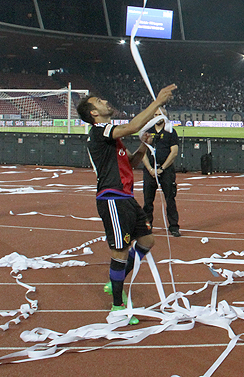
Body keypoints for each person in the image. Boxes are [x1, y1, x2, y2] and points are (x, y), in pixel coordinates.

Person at [77, 83, 177, 324]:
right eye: (99, 102)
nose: (104, 102)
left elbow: (130, 163)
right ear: (94, 113)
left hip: (126, 198)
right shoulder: (100, 131)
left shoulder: (111, 139)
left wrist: (143, 146)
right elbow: (132, 127)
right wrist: (157, 103)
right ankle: (117, 307)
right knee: (120, 250)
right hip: (112, 198)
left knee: (147, 241)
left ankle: (116, 281)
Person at [141, 109, 181, 237]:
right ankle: (147, 227)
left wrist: (162, 168)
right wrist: (150, 169)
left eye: (160, 115)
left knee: (170, 199)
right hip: (150, 172)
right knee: (147, 201)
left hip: (166, 171)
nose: (157, 117)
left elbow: (174, 152)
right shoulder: (148, 131)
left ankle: (174, 227)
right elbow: (142, 152)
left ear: (165, 117)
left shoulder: (171, 132)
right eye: (155, 115)